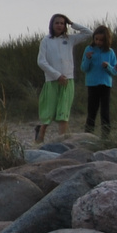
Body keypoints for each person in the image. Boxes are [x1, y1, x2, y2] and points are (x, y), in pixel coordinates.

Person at [36, 12, 90, 143]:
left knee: (63, 113)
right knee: (49, 111)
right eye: (57, 23)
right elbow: (41, 61)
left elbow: (88, 33)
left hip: (67, 80)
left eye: (62, 23)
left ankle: (62, 142)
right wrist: (56, 75)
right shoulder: (46, 40)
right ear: (52, 24)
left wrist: (72, 23)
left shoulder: (69, 39)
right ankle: (40, 137)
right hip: (52, 81)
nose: (59, 25)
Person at [81, 26, 117, 135]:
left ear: (106, 40)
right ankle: (88, 134)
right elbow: (84, 68)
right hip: (92, 84)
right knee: (92, 111)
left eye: (101, 40)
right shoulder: (89, 49)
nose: (98, 42)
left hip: (105, 85)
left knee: (105, 111)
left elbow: (115, 71)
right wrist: (87, 59)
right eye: (96, 39)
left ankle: (106, 136)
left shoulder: (110, 52)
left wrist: (108, 67)